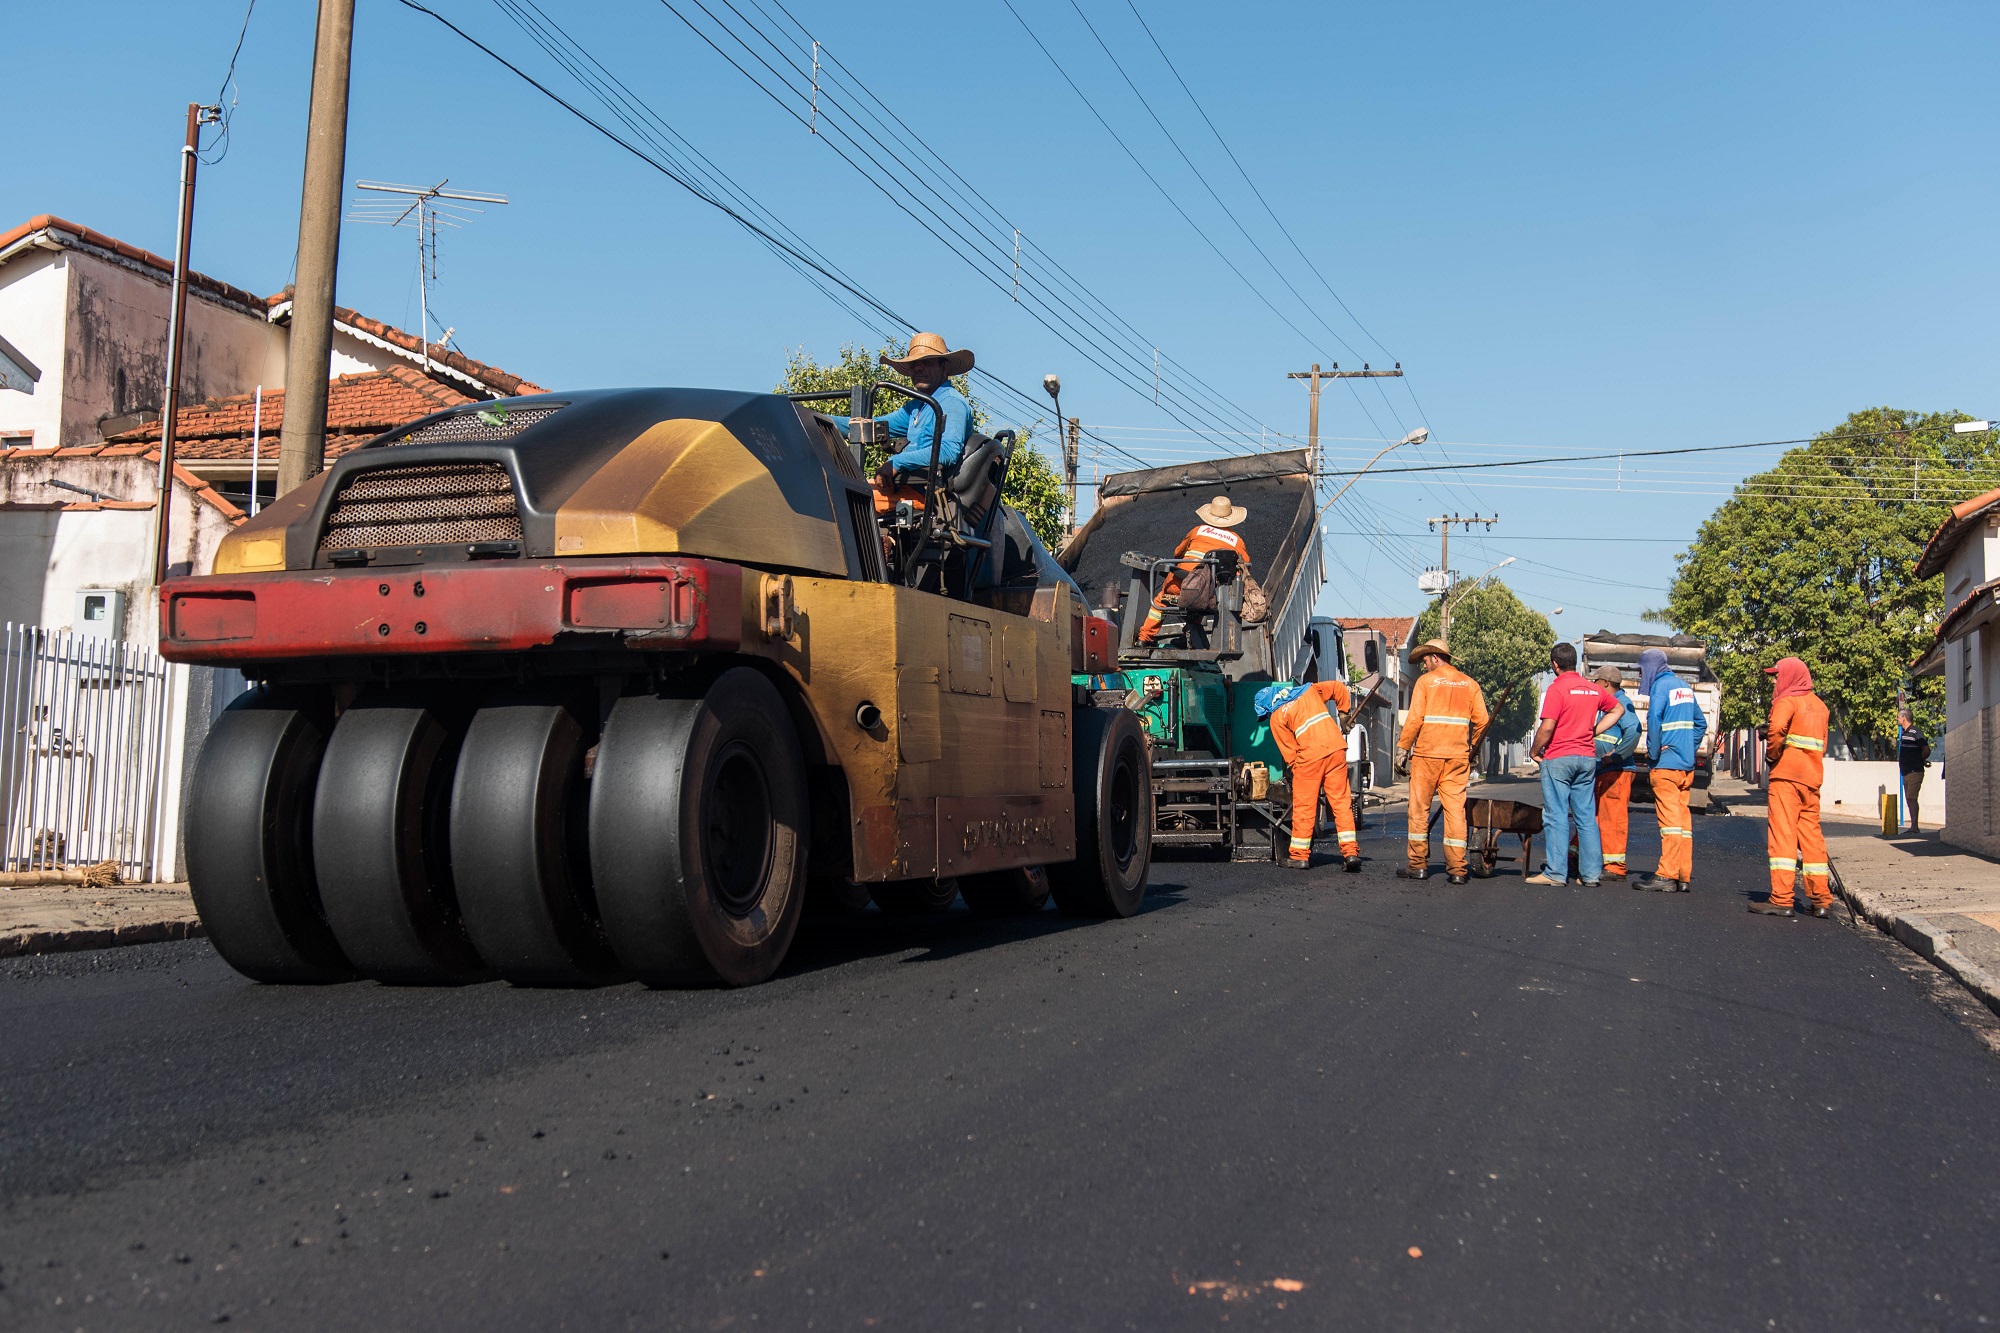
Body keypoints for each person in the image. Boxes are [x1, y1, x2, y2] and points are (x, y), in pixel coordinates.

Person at [836, 332, 976, 514]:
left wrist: (896, 462)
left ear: (944, 367)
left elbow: (948, 451)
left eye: (926, 362)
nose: (918, 368)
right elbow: (873, 426)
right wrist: (814, 419)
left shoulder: (951, 403)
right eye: (913, 364)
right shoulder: (917, 406)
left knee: (844, 500)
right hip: (905, 487)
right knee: (841, 488)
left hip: (928, 495)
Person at [1524, 643, 1625, 887]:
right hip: (1587, 759)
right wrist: (1593, 731)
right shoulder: (1592, 689)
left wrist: (1535, 751)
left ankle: (1556, 874)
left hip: (1559, 757)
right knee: (1586, 817)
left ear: (1555, 664)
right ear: (1574, 661)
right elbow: (1618, 709)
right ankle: (1590, 875)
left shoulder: (1557, 689)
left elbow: (1547, 726)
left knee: (1556, 815)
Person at [1395, 639, 1490, 884]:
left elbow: (1415, 719)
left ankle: (1417, 865)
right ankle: (1458, 869)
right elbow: (1482, 722)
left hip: (1427, 756)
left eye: (1426, 661)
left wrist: (1402, 749)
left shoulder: (1426, 682)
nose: (1424, 666)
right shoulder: (1470, 684)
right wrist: (1474, 750)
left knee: (1418, 811)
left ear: (1436, 658)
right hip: (1458, 757)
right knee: (1455, 812)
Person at [1753, 656, 1832, 918]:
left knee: (1783, 837)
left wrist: (1772, 754)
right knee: (1811, 839)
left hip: (1786, 779)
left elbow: (1777, 731)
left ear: (1790, 675)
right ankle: (1820, 900)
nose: (1775, 679)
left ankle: (1781, 899)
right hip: (1811, 780)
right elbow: (1820, 744)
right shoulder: (1821, 707)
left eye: (1777, 675)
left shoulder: (1786, 701)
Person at [1258, 679, 1363, 873]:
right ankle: (1350, 854)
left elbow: (1291, 755)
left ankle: (1299, 856)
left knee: (1304, 807)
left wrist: (1300, 779)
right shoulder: (1308, 691)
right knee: (1341, 803)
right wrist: (1343, 714)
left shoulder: (1276, 718)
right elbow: (1339, 688)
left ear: (1269, 706)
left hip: (1310, 758)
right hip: (1336, 749)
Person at [1630, 647, 1707, 892]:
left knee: (1670, 824)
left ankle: (1666, 875)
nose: (1641, 677)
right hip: (1685, 767)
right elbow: (1700, 724)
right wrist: (1687, 748)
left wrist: (1654, 754)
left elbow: (1654, 720)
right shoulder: (1684, 686)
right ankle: (1683, 876)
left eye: (1642, 671)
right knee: (1683, 825)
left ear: (1650, 668)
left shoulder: (1661, 687)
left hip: (1665, 766)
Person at [1135, 496, 1251, 647]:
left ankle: (1145, 638)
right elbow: (1245, 566)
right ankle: (1187, 637)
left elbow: (1178, 553)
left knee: (1161, 602)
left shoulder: (1197, 531)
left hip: (1181, 584)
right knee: (1199, 601)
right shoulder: (1236, 541)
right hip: (1209, 593)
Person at [1590, 665, 1642, 879]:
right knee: (1593, 817)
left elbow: (1634, 730)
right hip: (1603, 771)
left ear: (1605, 683)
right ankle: (1579, 857)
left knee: (1612, 819)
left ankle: (1614, 867)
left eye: (1596, 681)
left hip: (1617, 771)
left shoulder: (1621, 703)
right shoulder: (1606, 707)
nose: (1594, 685)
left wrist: (1616, 756)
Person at [1898, 709, 1932, 833]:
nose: (1897, 719)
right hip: (1906, 771)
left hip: (1914, 771)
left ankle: (1915, 827)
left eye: (1898, 717)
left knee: (1912, 798)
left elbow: (1926, 749)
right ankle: (1913, 826)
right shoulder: (1904, 733)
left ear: (1904, 718)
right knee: (1909, 798)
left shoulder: (1915, 731)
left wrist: (1919, 760)